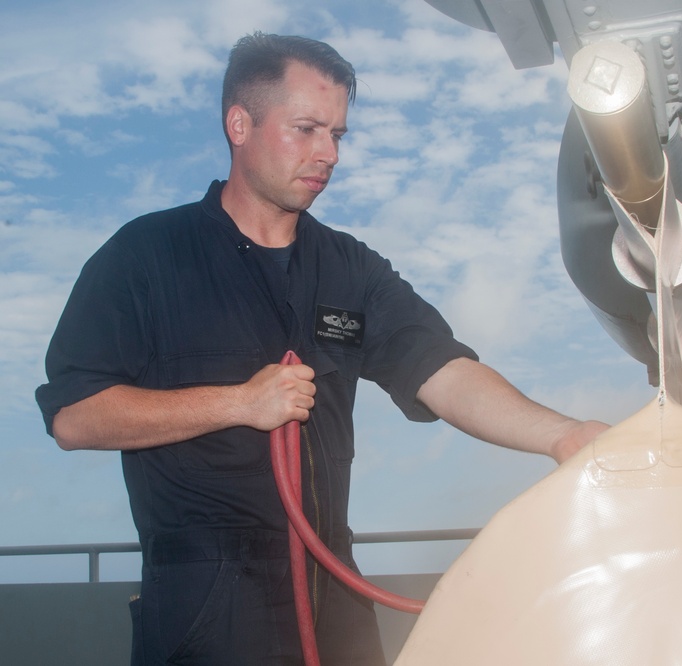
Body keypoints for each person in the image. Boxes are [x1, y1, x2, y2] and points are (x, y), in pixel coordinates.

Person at [35, 32, 608, 666]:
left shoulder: (350, 269)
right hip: (204, 609)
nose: (327, 153)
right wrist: (238, 404)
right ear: (239, 123)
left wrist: (563, 435)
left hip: (336, 594)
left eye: (337, 134)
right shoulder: (145, 256)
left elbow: (441, 370)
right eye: (307, 129)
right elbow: (74, 416)